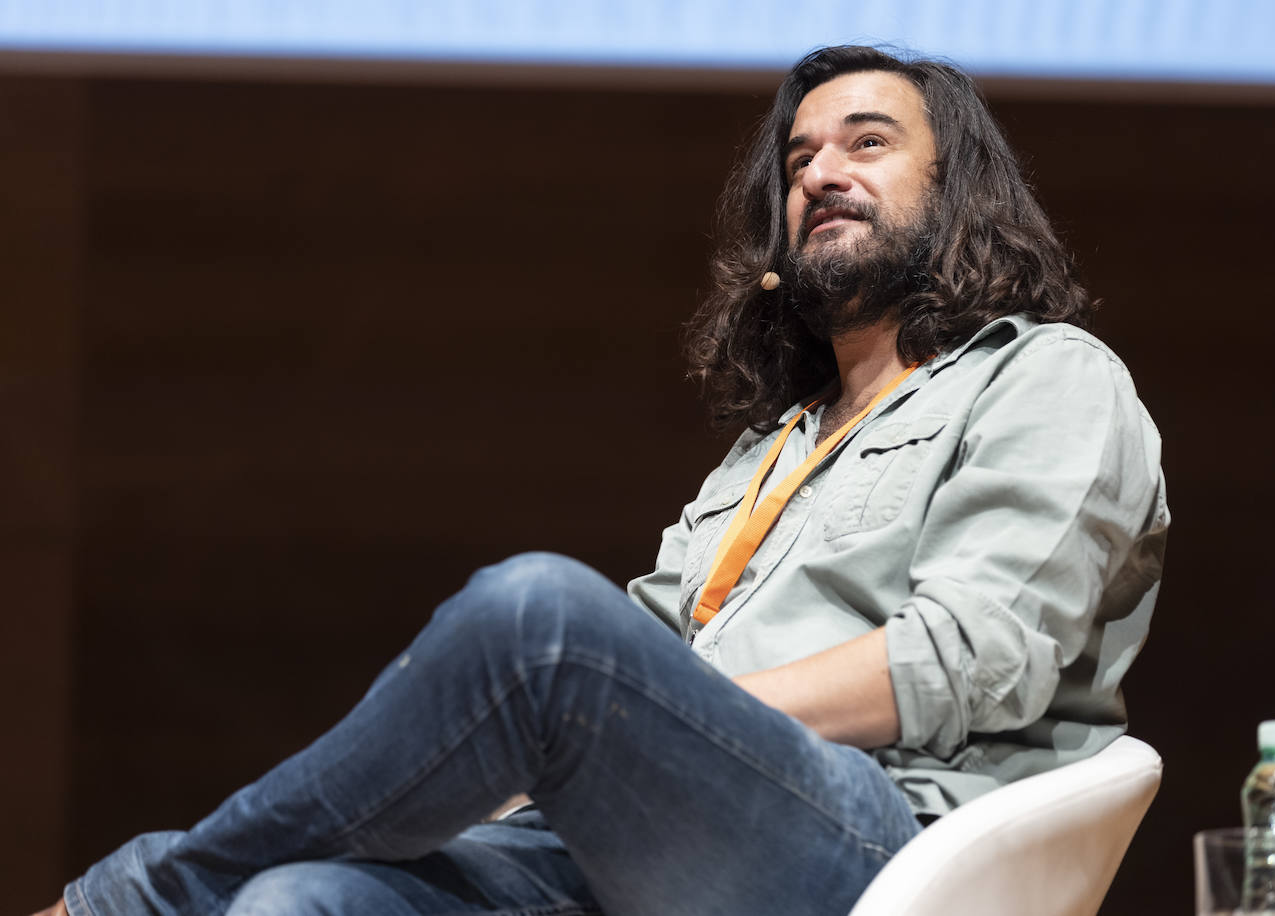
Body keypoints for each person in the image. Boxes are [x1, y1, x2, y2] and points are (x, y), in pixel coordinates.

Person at [37, 45, 1168, 916]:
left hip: (876, 844)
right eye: (798, 161)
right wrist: (555, 751)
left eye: (865, 144)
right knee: (301, 900)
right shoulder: (774, 446)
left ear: (956, 186)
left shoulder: (1046, 378)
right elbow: (645, 665)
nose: (820, 171)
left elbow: (973, 656)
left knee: (539, 616)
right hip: (645, 839)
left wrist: (638, 709)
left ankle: (142, 893)